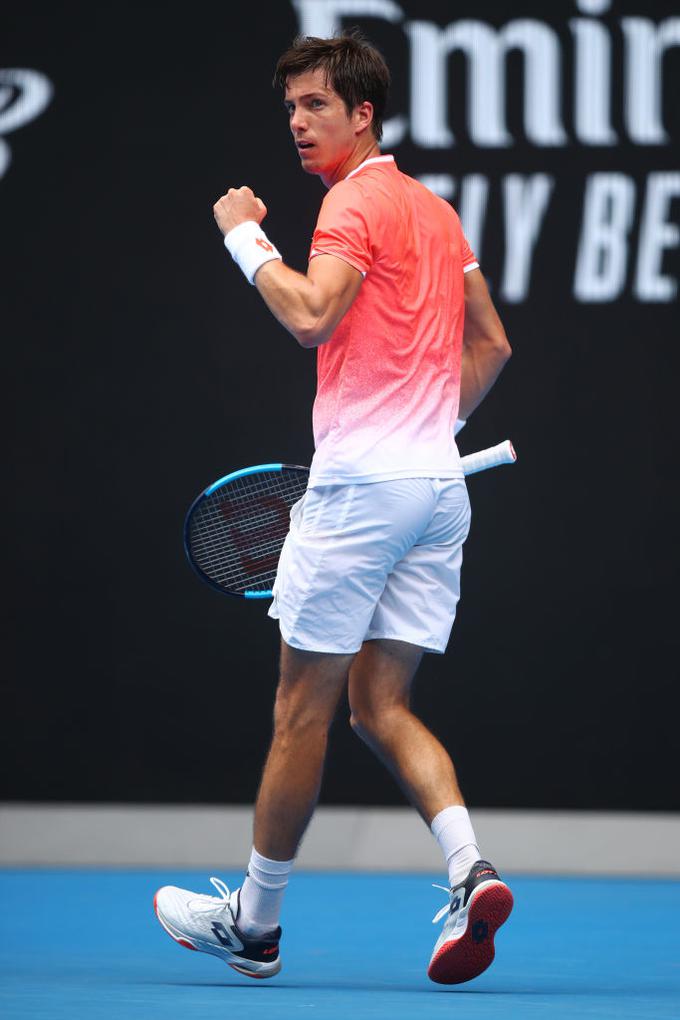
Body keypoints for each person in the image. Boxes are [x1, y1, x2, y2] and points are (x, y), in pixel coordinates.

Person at [154, 31, 513, 985]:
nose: (298, 124)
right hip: (438, 489)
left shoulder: (351, 202)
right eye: (290, 109)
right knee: (379, 703)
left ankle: (256, 925)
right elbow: (493, 345)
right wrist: (425, 427)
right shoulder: (437, 214)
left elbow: (311, 313)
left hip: (361, 492)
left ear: (364, 115)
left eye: (316, 106)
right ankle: (468, 869)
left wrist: (243, 235)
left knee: (300, 710)